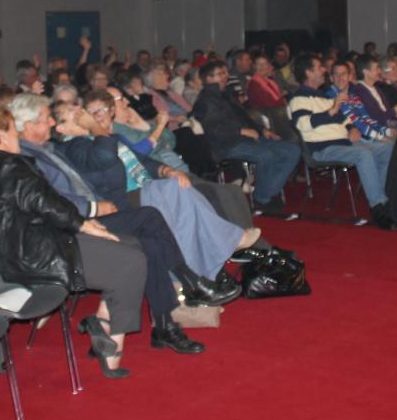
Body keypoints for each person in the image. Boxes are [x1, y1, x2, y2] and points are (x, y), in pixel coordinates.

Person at [0, 106, 198, 379]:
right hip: (29, 255)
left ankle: (103, 324)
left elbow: (41, 204)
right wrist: (84, 224)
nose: (16, 133)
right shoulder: (7, 165)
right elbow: (43, 202)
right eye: (11, 129)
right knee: (131, 260)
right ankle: (111, 349)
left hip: (26, 245)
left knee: (134, 245)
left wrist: (83, 223)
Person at [10, 96, 217, 357]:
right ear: (28, 125)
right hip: (73, 227)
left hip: (95, 212)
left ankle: (169, 318)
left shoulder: (49, 148)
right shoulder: (30, 156)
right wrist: (93, 209)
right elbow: (52, 199)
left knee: (151, 235)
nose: (50, 122)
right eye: (45, 118)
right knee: (149, 223)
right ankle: (184, 291)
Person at [75, 89, 259, 282]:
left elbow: (146, 160)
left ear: (111, 111)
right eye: (91, 113)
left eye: (101, 111)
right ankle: (223, 246)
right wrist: (95, 129)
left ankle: (206, 268)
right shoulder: (85, 145)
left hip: (146, 186)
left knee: (183, 187)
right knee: (177, 191)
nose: (96, 117)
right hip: (124, 197)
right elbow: (105, 156)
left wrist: (168, 171)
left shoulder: (116, 138)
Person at [289, 54, 395, 229]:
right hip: (323, 148)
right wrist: (331, 110)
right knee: (363, 154)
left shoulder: (323, 97)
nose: (324, 70)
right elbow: (303, 124)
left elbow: (345, 120)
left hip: (344, 143)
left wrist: (352, 128)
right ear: (309, 73)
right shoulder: (299, 99)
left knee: (387, 148)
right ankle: (378, 207)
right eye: (319, 67)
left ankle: (381, 199)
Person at [190, 61, 300, 212]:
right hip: (226, 144)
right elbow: (215, 130)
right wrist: (241, 131)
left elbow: (245, 118)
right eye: (220, 74)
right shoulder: (206, 101)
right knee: (266, 155)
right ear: (208, 79)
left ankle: (266, 192)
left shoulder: (225, 95)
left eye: (225, 73)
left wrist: (262, 130)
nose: (225, 76)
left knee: (292, 150)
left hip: (246, 139)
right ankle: (263, 198)